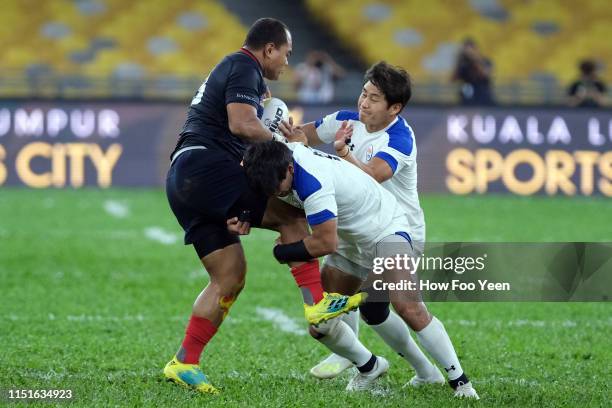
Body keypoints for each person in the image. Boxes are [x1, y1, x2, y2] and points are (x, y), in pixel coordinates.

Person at [163, 18, 364, 395]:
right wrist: (286, 145)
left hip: (184, 179)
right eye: (286, 54)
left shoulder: (238, 71)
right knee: (291, 216)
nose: (287, 62)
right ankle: (317, 304)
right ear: (268, 49)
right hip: (206, 168)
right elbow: (241, 124)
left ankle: (184, 362)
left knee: (229, 276)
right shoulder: (243, 66)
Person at [243, 141, 479, 398]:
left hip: (386, 228)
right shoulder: (275, 162)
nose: (275, 193)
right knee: (320, 324)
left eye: (277, 186)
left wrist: (282, 252)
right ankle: (379, 368)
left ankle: (462, 384)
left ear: (290, 168)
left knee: (407, 306)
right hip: (349, 241)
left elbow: (324, 242)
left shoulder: (312, 182)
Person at [451, 38, 494, 106]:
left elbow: (485, 74)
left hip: (483, 96)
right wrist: (458, 61)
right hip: (467, 97)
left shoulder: (485, 61)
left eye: (471, 49)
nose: (469, 52)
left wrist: (474, 59)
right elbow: (453, 79)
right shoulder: (463, 63)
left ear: (476, 49)